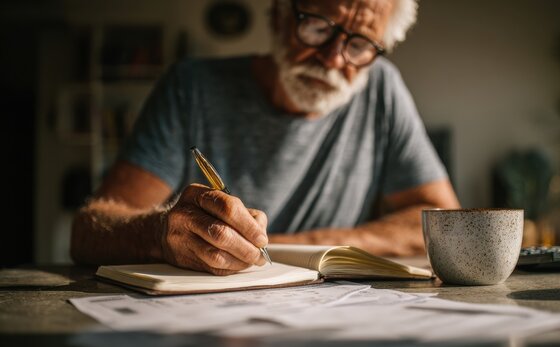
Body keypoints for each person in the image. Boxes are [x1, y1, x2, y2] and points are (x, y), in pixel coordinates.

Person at [71, 0, 460, 275]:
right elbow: (90, 231)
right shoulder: (191, 88)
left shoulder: (381, 90)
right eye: (317, 27)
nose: (333, 59)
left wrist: (281, 244)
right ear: (277, 13)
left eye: (359, 44)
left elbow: (440, 222)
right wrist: (159, 233)